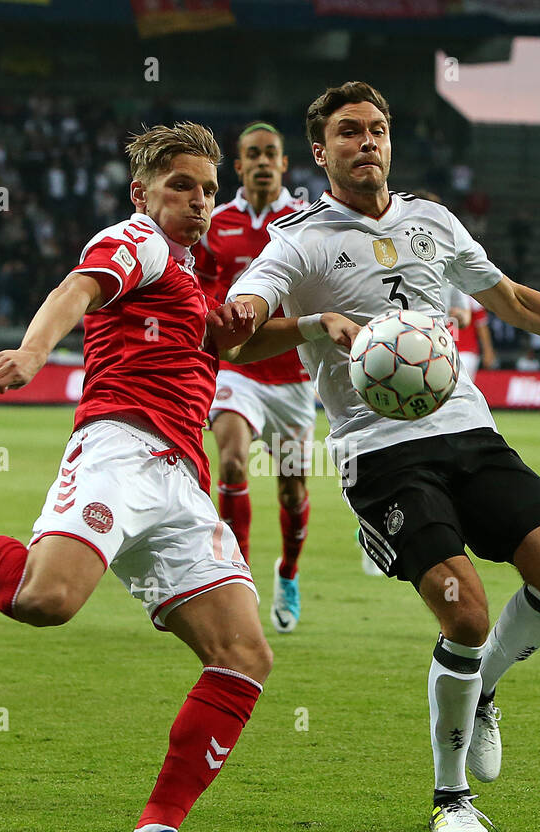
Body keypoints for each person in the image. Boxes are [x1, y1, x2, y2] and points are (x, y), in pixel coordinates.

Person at [224, 81, 540, 832]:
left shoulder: (432, 220)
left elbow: (516, 301)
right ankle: (452, 797)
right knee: (465, 612)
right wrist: (306, 321)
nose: (367, 142)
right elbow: (235, 335)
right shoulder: (299, 239)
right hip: (381, 454)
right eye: (348, 132)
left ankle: (485, 689)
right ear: (321, 152)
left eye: (378, 128)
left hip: (469, 432)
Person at [0, 122, 270, 832]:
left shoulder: (192, 278)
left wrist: (327, 328)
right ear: (143, 192)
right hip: (119, 448)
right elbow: (77, 287)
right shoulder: (134, 241)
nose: (199, 201)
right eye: (182, 185)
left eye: (209, 189)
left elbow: (231, 343)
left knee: (244, 654)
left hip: (180, 480)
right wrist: (35, 353)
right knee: (44, 600)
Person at [195, 121, 313, 633]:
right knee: (233, 460)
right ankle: (236, 579)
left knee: (291, 489)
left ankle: (287, 573)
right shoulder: (214, 223)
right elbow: (194, 288)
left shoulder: (305, 222)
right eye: (253, 155)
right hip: (236, 371)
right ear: (238, 166)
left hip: (292, 378)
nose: (263, 162)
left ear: (284, 164)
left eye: (272, 154)